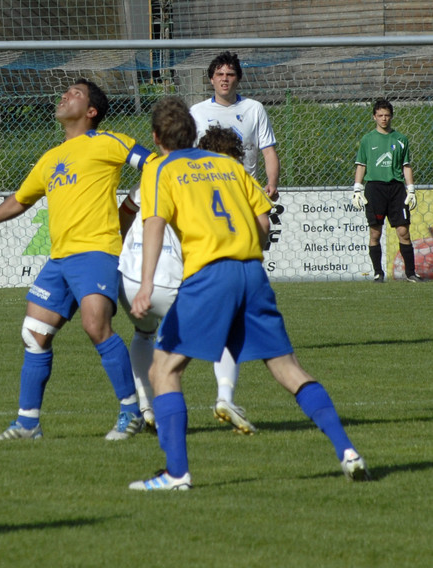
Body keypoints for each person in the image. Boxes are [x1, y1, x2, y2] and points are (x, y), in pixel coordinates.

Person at [128, 96, 369, 491]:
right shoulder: (228, 165)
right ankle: (347, 450)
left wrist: (147, 284)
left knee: (164, 369)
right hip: (252, 272)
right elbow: (263, 223)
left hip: (210, 274)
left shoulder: (160, 169)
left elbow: (153, 223)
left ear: (156, 137)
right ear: (193, 132)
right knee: (288, 368)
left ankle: (175, 474)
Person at [0, 78, 156, 442]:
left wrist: (134, 202)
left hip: (96, 250)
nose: (65, 96)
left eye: (76, 93)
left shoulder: (108, 141)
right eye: (66, 92)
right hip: (59, 260)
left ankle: (131, 412)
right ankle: (28, 423)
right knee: (34, 333)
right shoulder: (50, 158)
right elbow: (20, 199)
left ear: (91, 111)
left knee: (96, 326)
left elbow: (155, 165)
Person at [118, 126, 254, 433]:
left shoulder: (153, 171)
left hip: (128, 278)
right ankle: (224, 398)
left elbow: (125, 212)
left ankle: (146, 407)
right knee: (226, 330)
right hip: (168, 278)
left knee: (143, 334)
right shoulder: (210, 181)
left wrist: (126, 245)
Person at [190, 51, 280, 430]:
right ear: (211, 79)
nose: (225, 79)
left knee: (248, 256)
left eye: (230, 74)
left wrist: (271, 183)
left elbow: (268, 150)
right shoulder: (197, 112)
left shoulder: (253, 109)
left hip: (245, 193)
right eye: (219, 74)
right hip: (209, 197)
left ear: (238, 79)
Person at [352, 98, 422, 283]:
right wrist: (357, 189)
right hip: (375, 189)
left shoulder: (401, 139)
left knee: (403, 231)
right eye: (380, 115)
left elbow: (406, 165)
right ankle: (378, 273)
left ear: (391, 117)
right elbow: (361, 165)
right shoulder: (367, 139)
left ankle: (410, 273)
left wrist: (411, 189)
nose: (384, 118)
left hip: (396, 189)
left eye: (387, 115)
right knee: (375, 232)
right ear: (374, 117)